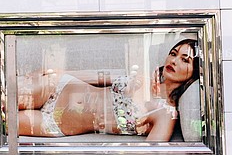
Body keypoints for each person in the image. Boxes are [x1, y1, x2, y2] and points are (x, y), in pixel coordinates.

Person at [17, 39, 199, 142]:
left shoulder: (166, 113)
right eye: (173, 54)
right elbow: (100, 77)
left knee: (4, 122)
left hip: (56, 122)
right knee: (1, 102)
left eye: (185, 60)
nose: (174, 61)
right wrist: (57, 72)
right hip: (59, 86)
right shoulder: (143, 75)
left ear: (194, 73)